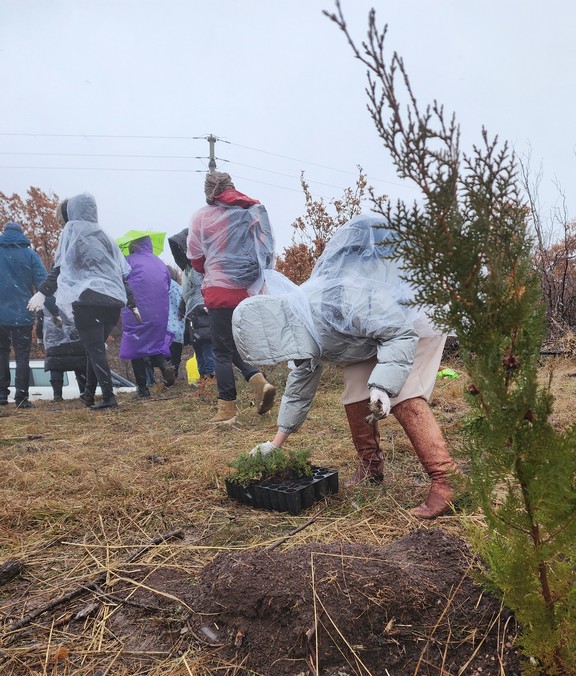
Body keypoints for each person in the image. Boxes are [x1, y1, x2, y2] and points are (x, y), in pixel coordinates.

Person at [232, 215, 458, 520]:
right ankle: (371, 466)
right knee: (355, 392)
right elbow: (299, 385)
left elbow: (398, 334)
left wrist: (382, 385)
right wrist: (276, 442)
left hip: (410, 316)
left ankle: (446, 480)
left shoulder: (340, 301)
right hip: (368, 331)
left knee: (402, 391)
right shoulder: (296, 325)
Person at [28, 193, 138, 410]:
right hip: (113, 301)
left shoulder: (72, 233)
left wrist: (42, 293)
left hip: (88, 301)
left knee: (95, 350)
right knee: (92, 349)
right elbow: (118, 273)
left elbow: (59, 269)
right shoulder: (104, 236)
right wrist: (131, 302)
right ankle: (88, 394)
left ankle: (108, 397)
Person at [186, 171, 276, 423]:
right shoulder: (251, 211)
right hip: (250, 292)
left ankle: (226, 410)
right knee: (233, 345)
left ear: (208, 192)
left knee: (221, 351)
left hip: (219, 291)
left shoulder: (201, 218)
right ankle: (260, 383)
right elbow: (266, 251)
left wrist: (212, 265)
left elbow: (195, 258)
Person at [120, 235, 175, 398]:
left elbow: (121, 281)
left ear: (134, 246)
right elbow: (169, 284)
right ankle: (164, 365)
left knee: (136, 346)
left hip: (136, 309)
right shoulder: (159, 262)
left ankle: (143, 390)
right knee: (154, 342)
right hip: (159, 310)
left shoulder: (127, 261)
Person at [0, 221, 48, 408]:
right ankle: (21, 397)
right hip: (23, 312)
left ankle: (2, 394)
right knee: (22, 355)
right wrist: (52, 309)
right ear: (21, 234)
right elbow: (43, 283)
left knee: (1, 352)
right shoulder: (30, 255)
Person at [168, 228, 216, 382]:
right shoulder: (188, 270)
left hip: (203, 308)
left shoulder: (202, 266)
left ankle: (211, 374)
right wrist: (182, 310)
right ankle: (204, 375)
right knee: (198, 343)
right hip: (192, 311)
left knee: (206, 341)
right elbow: (185, 293)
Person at [38, 295, 88, 401]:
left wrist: (40, 337)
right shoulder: (72, 294)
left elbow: (40, 320)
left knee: (56, 365)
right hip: (75, 336)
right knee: (80, 364)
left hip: (53, 339)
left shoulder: (46, 298)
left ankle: (57, 395)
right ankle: (84, 391)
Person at [165, 266, 186, 378]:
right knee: (176, 355)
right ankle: (174, 375)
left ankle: (167, 376)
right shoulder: (180, 289)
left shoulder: (161, 288)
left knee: (166, 355)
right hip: (178, 327)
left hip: (165, 328)